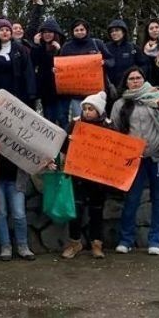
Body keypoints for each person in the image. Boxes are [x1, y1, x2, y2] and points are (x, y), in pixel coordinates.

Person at [110, 67, 159, 255]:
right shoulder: (120, 104)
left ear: (144, 79)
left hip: (158, 156)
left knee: (158, 199)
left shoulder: (156, 95)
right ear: (126, 82)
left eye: (138, 77)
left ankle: (156, 241)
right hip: (133, 160)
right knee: (131, 199)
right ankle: (126, 240)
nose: (135, 81)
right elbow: (115, 131)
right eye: (131, 78)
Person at [58, 92, 114, 259]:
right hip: (78, 175)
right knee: (77, 209)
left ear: (99, 111)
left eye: (91, 109)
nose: (87, 112)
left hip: (99, 177)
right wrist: (69, 140)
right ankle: (75, 243)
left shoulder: (109, 126)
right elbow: (62, 147)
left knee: (97, 210)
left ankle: (96, 244)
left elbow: (116, 150)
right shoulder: (74, 124)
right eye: (85, 108)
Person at [59, 18, 112, 117]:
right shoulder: (67, 47)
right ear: (72, 32)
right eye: (76, 30)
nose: (79, 32)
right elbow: (60, 65)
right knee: (80, 122)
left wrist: (104, 62)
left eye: (82, 29)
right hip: (76, 94)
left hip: (96, 93)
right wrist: (56, 70)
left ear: (86, 30)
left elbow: (111, 60)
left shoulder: (97, 43)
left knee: (98, 120)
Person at [0, 18, 36, 107]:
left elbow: (28, 70)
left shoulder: (20, 49)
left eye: (7, 30)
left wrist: (31, 92)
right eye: (1, 30)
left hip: (18, 93)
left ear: (10, 32)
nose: (4, 32)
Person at [32, 16, 68, 129]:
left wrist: (59, 50)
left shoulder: (64, 46)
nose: (47, 34)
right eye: (44, 32)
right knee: (49, 120)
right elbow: (34, 61)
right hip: (46, 91)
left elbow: (68, 64)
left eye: (50, 32)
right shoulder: (39, 47)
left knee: (63, 119)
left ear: (55, 33)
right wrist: (36, 45)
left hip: (61, 91)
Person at [105, 19, 149, 90]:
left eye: (117, 30)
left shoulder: (133, 48)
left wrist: (137, 78)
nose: (114, 33)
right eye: (111, 31)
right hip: (111, 88)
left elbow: (144, 65)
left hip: (130, 88)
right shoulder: (105, 48)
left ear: (123, 32)